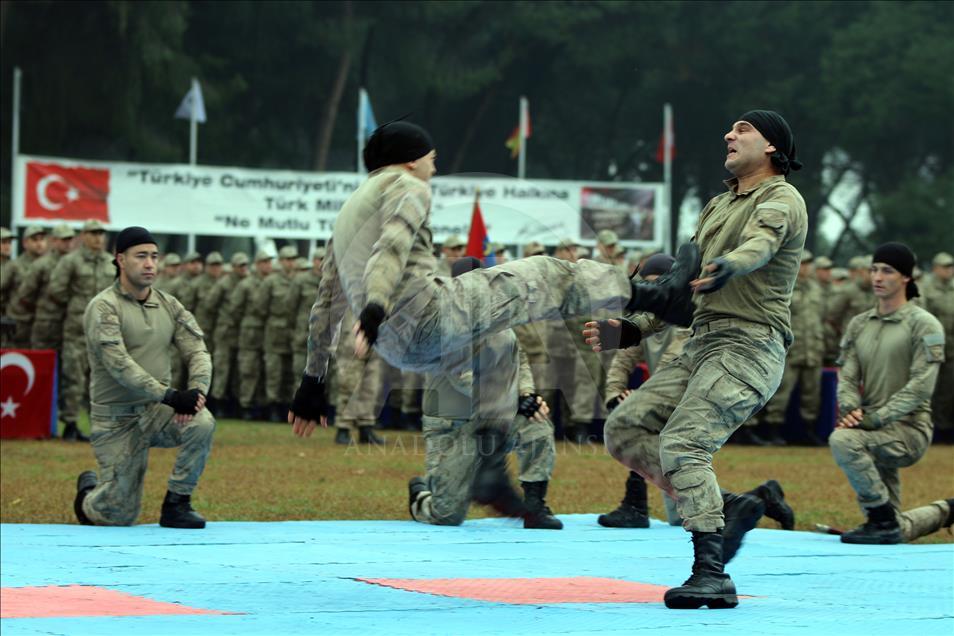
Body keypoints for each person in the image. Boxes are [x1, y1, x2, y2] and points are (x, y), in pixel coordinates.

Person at [289, 119, 701, 523]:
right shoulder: (407, 185)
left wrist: (313, 380)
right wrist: (376, 306)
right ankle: (654, 294)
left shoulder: (348, 213)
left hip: (399, 346)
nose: (435, 167)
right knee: (545, 274)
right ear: (412, 160)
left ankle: (489, 468)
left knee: (498, 345)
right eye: (432, 159)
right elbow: (392, 246)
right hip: (429, 315)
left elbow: (326, 302)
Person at [591, 110, 807, 609]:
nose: (729, 135)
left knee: (684, 443)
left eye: (743, 130)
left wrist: (730, 265)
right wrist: (629, 329)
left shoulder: (782, 198)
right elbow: (677, 290)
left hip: (748, 345)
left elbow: (762, 244)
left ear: (772, 146)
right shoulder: (716, 206)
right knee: (623, 430)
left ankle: (712, 574)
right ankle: (729, 506)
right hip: (700, 342)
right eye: (731, 130)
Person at [594, 254, 796, 533]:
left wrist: (644, 398)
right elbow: (623, 360)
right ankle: (757, 499)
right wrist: (616, 393)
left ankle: (637, 505)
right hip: (663, 395)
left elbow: (675, 366)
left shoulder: (689, 321)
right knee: (635, 429)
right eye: (651, 286)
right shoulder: (649, 320)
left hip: (691, 399)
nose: (656, 293)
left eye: (661, 285)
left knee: (679, 509)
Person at [73, 226, 213, 528]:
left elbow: (198, 350)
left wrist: (196, 392)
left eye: (154, 256)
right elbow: (119, 365)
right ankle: (88, 494)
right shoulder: (103, 307)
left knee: (202, 422)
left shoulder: (168, 305)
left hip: (155, 413)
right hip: (116, 420)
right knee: (117, 515)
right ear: (120, 260)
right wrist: (172, 396)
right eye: (141, 256)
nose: (150, 264)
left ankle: (177, 504)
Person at [408, 257, 561, 529]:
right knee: (447, 516)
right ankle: (421, 494)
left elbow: (517, 357)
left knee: (536, 420)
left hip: (493, 420)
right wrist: (514, 399)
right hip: (451, 427)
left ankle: (535, 506)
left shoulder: (495, 318)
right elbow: (462, 377)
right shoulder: (439, 324)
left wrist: (527, 395)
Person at [829, 242, 950, 544]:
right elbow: (847, 375)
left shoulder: (924, 324)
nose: (877, 277)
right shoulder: (859, 324)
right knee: (896, 530)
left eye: (887, 271)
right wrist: (850, 408)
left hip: (908, 429)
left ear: (906, 278)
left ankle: (878, 518)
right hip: (868, 423)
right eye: (874, 270)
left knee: (843, 440)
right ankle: (945, 511)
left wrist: (877, 418)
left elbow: (922, 385)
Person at [46, 220, 113, 441]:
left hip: (103, 329)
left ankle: (98, 424)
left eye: (101, 233)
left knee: (100, 378)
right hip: (77, 328)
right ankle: (71, 423)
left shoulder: (109, 262)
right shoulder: (71, 261)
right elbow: (56, 289)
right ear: (83, 235)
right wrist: (76, 306)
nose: (98, 238)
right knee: (73, 376)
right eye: (93, 233)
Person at [755, 249, 825, 446]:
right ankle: (772, 430)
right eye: (802, 263)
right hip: (791, 349)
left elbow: (823, 317)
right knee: (781, 393)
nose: (806, 268)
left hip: (812, 348)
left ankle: (809, 430)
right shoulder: (785, 286)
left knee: (811, 394)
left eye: (808, 264)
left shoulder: (816, 288)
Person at [17, 224, 78, 437]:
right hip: (45, 327)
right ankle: (37, 424)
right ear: (55, 241)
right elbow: (25, 296)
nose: (67, 243)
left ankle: (68, 423)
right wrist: (36, 315)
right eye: (63, 239)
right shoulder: (42, 265)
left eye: (70, 239)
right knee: (42, 375)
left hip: (69, 327)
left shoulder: (75, 263)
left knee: (71, 375)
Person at [255, 245, 300, 422]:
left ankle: (287, 408)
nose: (291, 263)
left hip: (293, 331)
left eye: (293, 259)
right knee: (274, 372)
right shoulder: (271, 281)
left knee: (291, 372)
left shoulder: (300, 280)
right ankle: (272, 407)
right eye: (288, 259)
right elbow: (260, 306)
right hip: (274, 331)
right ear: (281, 262)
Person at [206, 252, 250, 417]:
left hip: (242, 332)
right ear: (233, 267)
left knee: (239, 370)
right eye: (240, 266)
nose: (243, 268)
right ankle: (217, 403)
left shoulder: (248, 283)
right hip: (225, 332)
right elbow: (210, 305)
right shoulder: (224, 284)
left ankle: (235, 404)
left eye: (245, 265)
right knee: (222, 368)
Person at [230, 250, 272, 419]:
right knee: (248, 369)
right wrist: (247, 322)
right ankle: (245, 405)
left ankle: (263, 405)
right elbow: (234, 309)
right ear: (257, 264)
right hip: (250, 332)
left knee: (266, 369)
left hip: (269, 332)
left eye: (269, 262)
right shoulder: (246, 284)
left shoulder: (273, 282)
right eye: (264, 262)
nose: (267, 265)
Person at [920, 252, 953, 441]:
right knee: (930, 389)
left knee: (948, 391)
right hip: (932, 346)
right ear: (935, 268)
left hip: (952, 348)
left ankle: (945, 429)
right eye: (945, 266)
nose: (949, 270)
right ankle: (929, 428)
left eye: (951, 266)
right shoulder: (926, 288)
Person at [7, 225, 48, 348]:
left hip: (43, 322)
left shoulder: (50, 265)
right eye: (35, 240)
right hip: (20, 321)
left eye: (42, 239)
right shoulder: (15, 265)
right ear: (25, 243)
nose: (39, 243)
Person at [0, 227, 15, 346]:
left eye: (9, 242)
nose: (7, 246)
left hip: (8, 318)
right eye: (3, 242)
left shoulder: (14, 266)